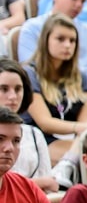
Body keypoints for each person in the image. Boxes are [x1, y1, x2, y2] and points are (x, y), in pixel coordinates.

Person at [23, 12, 87, 163]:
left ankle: (67, 165)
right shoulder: (30, 74)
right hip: (41, 140)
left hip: (74, 140)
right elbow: (44, 123)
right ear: (45, 40)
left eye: (72, 40)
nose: (67, 45)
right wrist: (83, 128)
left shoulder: (82, 77)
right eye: (60, 39)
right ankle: (70, 163)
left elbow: (84, 122)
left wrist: (85, 128)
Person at [19, 0, 87, 80]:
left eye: (83, 1)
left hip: (86, 87)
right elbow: (29, 69)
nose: (79, 4)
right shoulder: (32, 27)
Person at [0, 59, 56, 191]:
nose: (13, 96)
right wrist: (39, 183)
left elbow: (50, 186)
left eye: (18, 89)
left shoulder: (35, 134)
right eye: (4, 89)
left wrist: (43, 184)